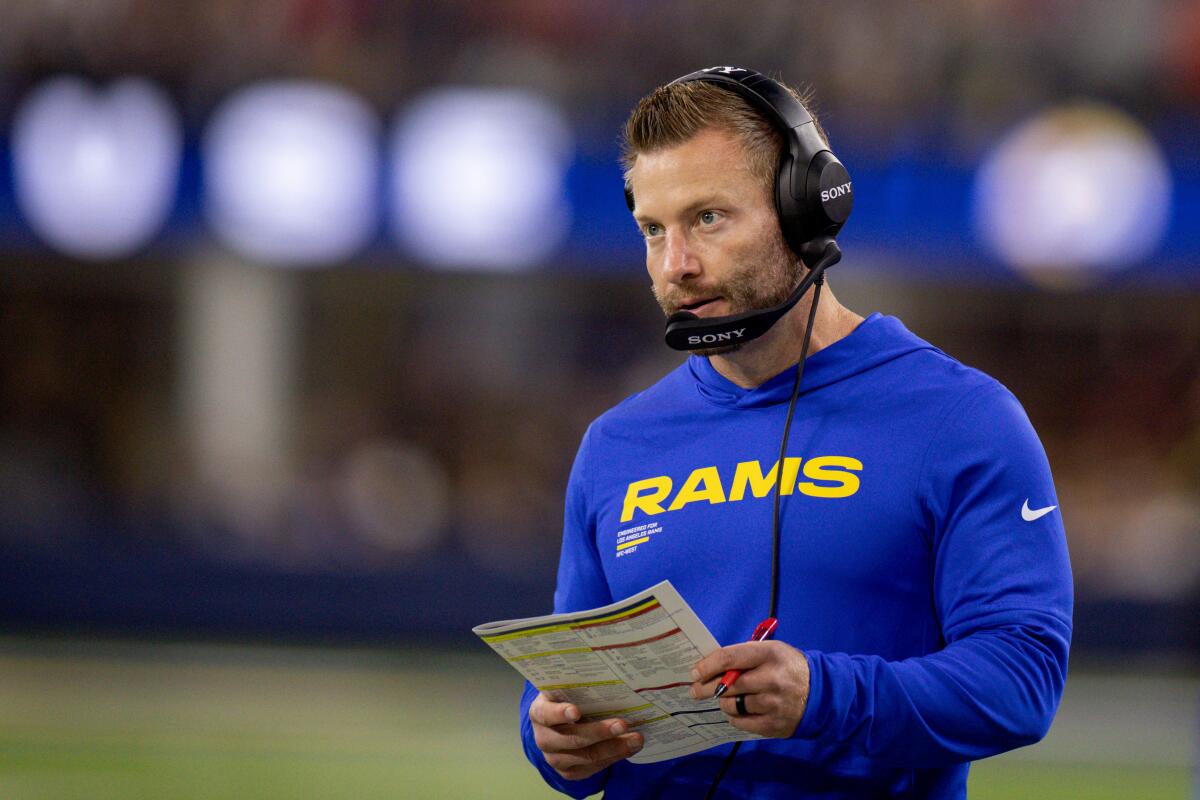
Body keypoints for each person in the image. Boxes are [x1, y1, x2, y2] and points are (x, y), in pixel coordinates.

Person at [519, 67, 1073, 799]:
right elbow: (570, 692)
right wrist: (551, 735)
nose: (675, 266)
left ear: (805, 208)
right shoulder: (615, 444)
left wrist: (822, 695)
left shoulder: (962, 419)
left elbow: (1022, 681)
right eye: (654, 230)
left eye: (708, 218)